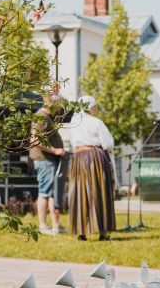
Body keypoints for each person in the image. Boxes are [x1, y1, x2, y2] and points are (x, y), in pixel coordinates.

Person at [67, 96, 116, 241]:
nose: (97, 109)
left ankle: (81, 232)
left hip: (78, 158)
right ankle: (103, 232)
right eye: (95, 106)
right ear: (91, 107)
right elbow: (108, 144)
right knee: (99, 191)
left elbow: (72, 142)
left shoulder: (73, 123)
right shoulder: (97, 122)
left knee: (79, 193)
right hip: (95, 157)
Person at [29, 93, 66, 235]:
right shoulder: (41, 117)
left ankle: (56, 225)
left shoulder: (48, 117)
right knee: (44, 193)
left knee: (51, 193)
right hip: (45, 160)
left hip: (50, 160)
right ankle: (43, 226)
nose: (59, 109)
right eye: (58, 106)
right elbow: (35, 141)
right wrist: (55, 150)